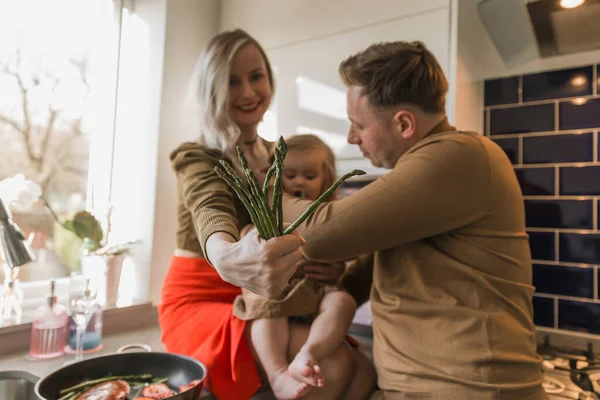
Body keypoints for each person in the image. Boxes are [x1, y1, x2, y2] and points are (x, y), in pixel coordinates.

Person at [277, 41, 548, 399]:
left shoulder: (460, 155)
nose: (351, 137)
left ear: (404, 123)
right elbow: (373, 271)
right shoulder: (424, 179)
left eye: (358, 124)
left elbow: (317, 232)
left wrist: (256, 182)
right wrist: (338, 278)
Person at [157, 29, 375, 400]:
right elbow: (209, 206)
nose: (247, 92)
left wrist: (328, 265)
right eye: (231, 81)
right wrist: (224, 252)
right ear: (212, 89)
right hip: (203, 298)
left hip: (277, 290)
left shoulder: (285, 156)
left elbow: (312, 220)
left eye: (256, 76)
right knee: (333, 365)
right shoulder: (198, 155)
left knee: (365, 373)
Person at [233, 134, 367, 399]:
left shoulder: (332, 213)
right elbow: (246, 235)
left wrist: (337, 267)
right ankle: (278, 374)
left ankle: (309, 354)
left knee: (343, 301)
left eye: (309, 175)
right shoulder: (267, 210)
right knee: (267, 309)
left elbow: (349, 249)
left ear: (326, 179)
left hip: (316, 293)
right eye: (290, 175)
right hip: (278, 293)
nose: (299, 182)